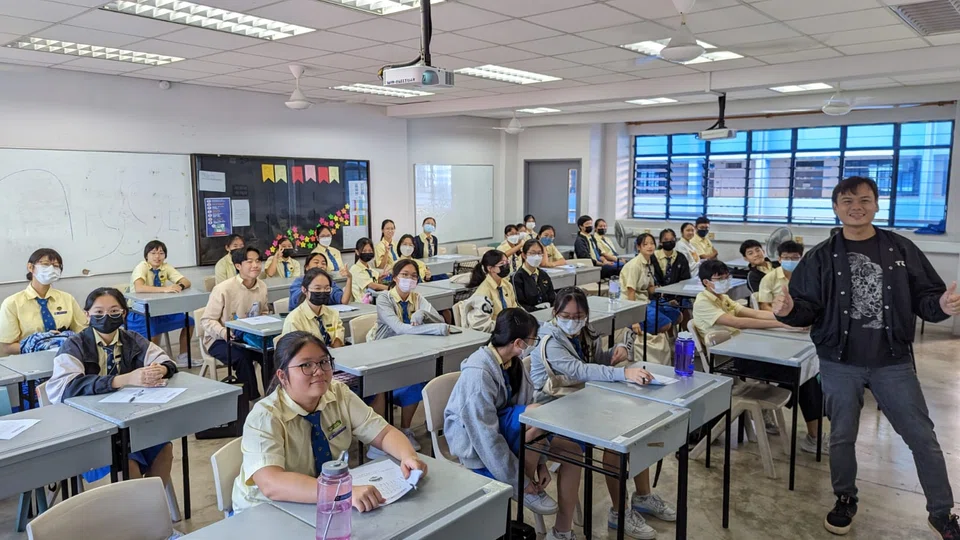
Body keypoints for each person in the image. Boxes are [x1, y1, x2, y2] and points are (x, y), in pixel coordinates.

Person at [773, 176, 960, 538]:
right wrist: (788, 309)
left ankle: (941, 512)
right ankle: (845, 498)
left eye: (863, 199)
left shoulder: (901, 249)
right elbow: (805, 308)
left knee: (922, 437)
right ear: (835, 207)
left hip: (893, 361)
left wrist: (941, 305)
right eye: (847, 200)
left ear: (876, 204)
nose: (855, 206)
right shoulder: (821, 256)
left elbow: (927, 296)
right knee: (842, 436)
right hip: (839, 362)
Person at [529, 288, 673, 539]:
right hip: (554, 408)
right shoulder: (549, 341)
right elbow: (580, 370)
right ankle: (618, 512)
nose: (574, 320)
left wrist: (613, 356)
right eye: (567, 315)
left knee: (635, 428)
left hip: (583, 401)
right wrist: (622, 373)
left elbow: (594, 363)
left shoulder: (585, 333)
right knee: (614, 442)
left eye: (579, 315)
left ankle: (643, 496)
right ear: (555, 313)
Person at [231, 331, 427, 513]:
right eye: (306, 365)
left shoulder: (338, 393)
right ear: (282, 376)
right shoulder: (265, 417)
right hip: (265, 510)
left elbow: (383, 433)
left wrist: (408, 456)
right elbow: (271, 483)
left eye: (324, 362)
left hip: (317, 498)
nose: (319, 371)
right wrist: (342, 492)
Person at [445, 308, 582, 540]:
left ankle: (562, 531)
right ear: (518, 342)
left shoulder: (513, 363)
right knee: (538, 414)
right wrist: (521, 482)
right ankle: (525, 487)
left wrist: (541, 461)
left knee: (572, 450)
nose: (533, 345)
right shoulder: (478, 375)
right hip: (473, 441)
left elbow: (525, 405)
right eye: (532, 340)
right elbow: (485, 437)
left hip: (502, 426)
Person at [693, 260, 826, 454]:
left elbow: (751, 312)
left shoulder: (721, 297)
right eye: (719, 278)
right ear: (706, 282)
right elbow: (738, 322)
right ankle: (813, 437)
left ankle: (808, 431)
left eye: (726, 276)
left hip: (746, 349)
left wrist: (786, 317)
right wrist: (784, 325)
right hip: (731, 360)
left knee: (807, 371)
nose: (724, 280)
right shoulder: (703, 302)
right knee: (802, 375)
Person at [47, 287, 177, 485]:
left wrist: (160, 370)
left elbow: (165, 360)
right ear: (87, 314)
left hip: (129, 419)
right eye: (98, 312)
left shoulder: (132, 339)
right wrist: (123, 380)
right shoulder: (75, 344)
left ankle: (151, 506)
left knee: (163, 448)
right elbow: (66, 387)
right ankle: (134, 510)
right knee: (126, 463)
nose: (106, 317)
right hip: (90, 427)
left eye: (114, 311)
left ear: (124, 314)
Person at [371, 259, 450, 451]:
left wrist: (423, 313)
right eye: (404, 275)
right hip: (384, 354)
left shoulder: (416, 297)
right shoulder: (384, 299)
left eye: (414, 276)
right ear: (395, 277)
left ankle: (407, 429)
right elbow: (399, 328)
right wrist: (433, 329)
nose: (409, 279)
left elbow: (438, 318)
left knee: (426, 376)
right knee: (413, 380)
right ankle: (383, 436)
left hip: (411, 351)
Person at [201, 246, 269, 400]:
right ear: (238, 266)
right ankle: (253, 399)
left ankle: (273, 396)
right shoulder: (223, 289)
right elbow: (207, 320)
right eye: (249, 261)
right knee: (242, 358)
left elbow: (264, 312)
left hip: (250, 337)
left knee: (271, 355)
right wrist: (223, 332)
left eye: (258, 261)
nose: (256, 265)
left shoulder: (262, 286)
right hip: (219, 339)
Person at [0, 248, 85, 356]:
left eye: (56, 266)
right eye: (45, 264)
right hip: (27, 361)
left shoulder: (67, 299)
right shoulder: (12, 303)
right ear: (30, 267)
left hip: (66, 357)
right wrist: (37, 345)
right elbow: (6, 347)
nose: (51, 269)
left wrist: (65, 340)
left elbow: (83, 332)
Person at [128, 240, 193, 366]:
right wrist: (166, 289)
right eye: (153, 253)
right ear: (146, 255)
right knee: (153, 328)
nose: (157, 257)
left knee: (189, 321)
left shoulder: (165, 267)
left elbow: (186, 281)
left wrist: (179, 285)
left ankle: (183, 357)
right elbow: (139, 288)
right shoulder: (142, 267)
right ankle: (152, 361)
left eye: (161, 253)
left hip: (161, 310)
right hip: (139, 311)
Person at [622, 233, 680, 335]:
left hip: (646, 301)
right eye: (645, 244)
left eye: (652, 243)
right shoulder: (634, 265)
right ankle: (645, 339)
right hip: (633, 304)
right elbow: (631, 292)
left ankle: (666, 342)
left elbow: (649, 288)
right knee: (665, 324)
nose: (650, 246)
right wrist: (634, 320)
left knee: (677, 315)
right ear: (638, 247)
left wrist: (664, 291)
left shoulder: (649, 263)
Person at [280, 269, 345, 348]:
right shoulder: (294, 320)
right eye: (317, 288)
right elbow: (294, 352)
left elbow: (338, 344)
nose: (323, 292)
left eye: (327, 288)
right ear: (304, 290)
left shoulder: (333, 314)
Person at [468, 250, 518, 318]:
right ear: (490, 268)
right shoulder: (483, 293)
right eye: (502, 263)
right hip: (495, 327)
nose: (506, 265)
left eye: (507, 262)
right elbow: (484, 322)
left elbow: (514, 308)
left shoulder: (507, 285)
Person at [756, 241, 803, 312]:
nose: (790, 261)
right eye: (786, 258)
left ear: (801, 259)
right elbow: (764, 306)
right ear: (779, 259)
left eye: (795, 257)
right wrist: (781, 315)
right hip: (779, 317)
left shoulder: (809, 276)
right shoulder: (769, 278)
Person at [511, 239, 556, 312]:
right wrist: (538, 311)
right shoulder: (517, 277)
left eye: (539, 253)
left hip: (547, 312)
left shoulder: (543, 274)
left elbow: (552, 297)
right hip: (529, 315)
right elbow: (519, 304)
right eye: (532, 253)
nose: (536, 256)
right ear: (524, 255)